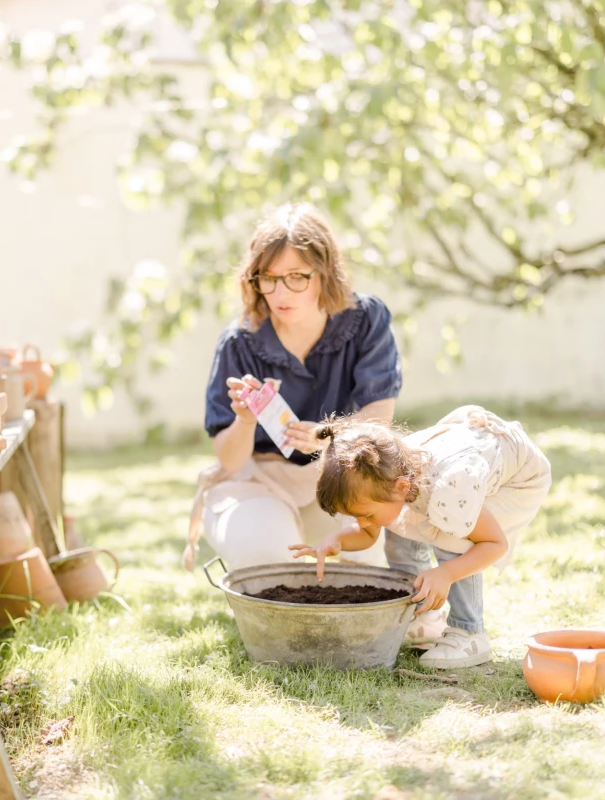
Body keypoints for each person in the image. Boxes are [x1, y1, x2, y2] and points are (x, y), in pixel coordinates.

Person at [184, 203, 402, 577]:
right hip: (260, 481)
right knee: (273, 565)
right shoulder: (240, 343)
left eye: (296, 276)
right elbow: (231, 460)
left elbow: (378, 421)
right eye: (267, 278)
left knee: (368, 565)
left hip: (339, 474)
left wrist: (327, 436)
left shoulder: (366, 320)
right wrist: (245, 420)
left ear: (325, 273)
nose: (280, 292)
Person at [290, 406, 552, 668]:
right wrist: (336, 540)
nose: (363, 522)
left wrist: (446, 573)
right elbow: (368, 534)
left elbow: (494, 544)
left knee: (452, 533)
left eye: (366, 515)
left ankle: (469, 633)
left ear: (401, 487)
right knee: (399, 525)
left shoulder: (449, 491)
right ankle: (424, 616)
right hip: (458, 472)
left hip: (519, 478)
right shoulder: (387, 474)